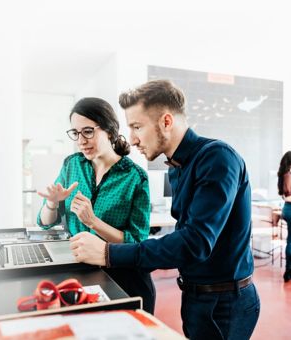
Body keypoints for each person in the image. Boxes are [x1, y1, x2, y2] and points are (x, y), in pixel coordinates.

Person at [70, 80, 260, 340]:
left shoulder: (217, 158)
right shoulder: (177, 167)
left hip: (224, 303)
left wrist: (108, 253)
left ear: (166, 121)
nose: (132, 139)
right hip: (197, 297)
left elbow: (195, 243)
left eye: (137, 127)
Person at [36, 97, 156, 314]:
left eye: (88, 131)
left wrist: (93, 221)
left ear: (109, 131)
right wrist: (52, 204)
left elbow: (137, 242)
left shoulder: (135, 177)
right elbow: (45, 222)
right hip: (80, 274)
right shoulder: (72, 164)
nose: (81, 140)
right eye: (75, 133)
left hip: (124, 280)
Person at [278, 151, 291, 282]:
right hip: (290, 208)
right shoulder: (288, 175)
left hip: (287, 208)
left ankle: (288, 270)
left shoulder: (283, 175)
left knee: (290, 240)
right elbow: (288, 192)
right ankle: (288, 270)